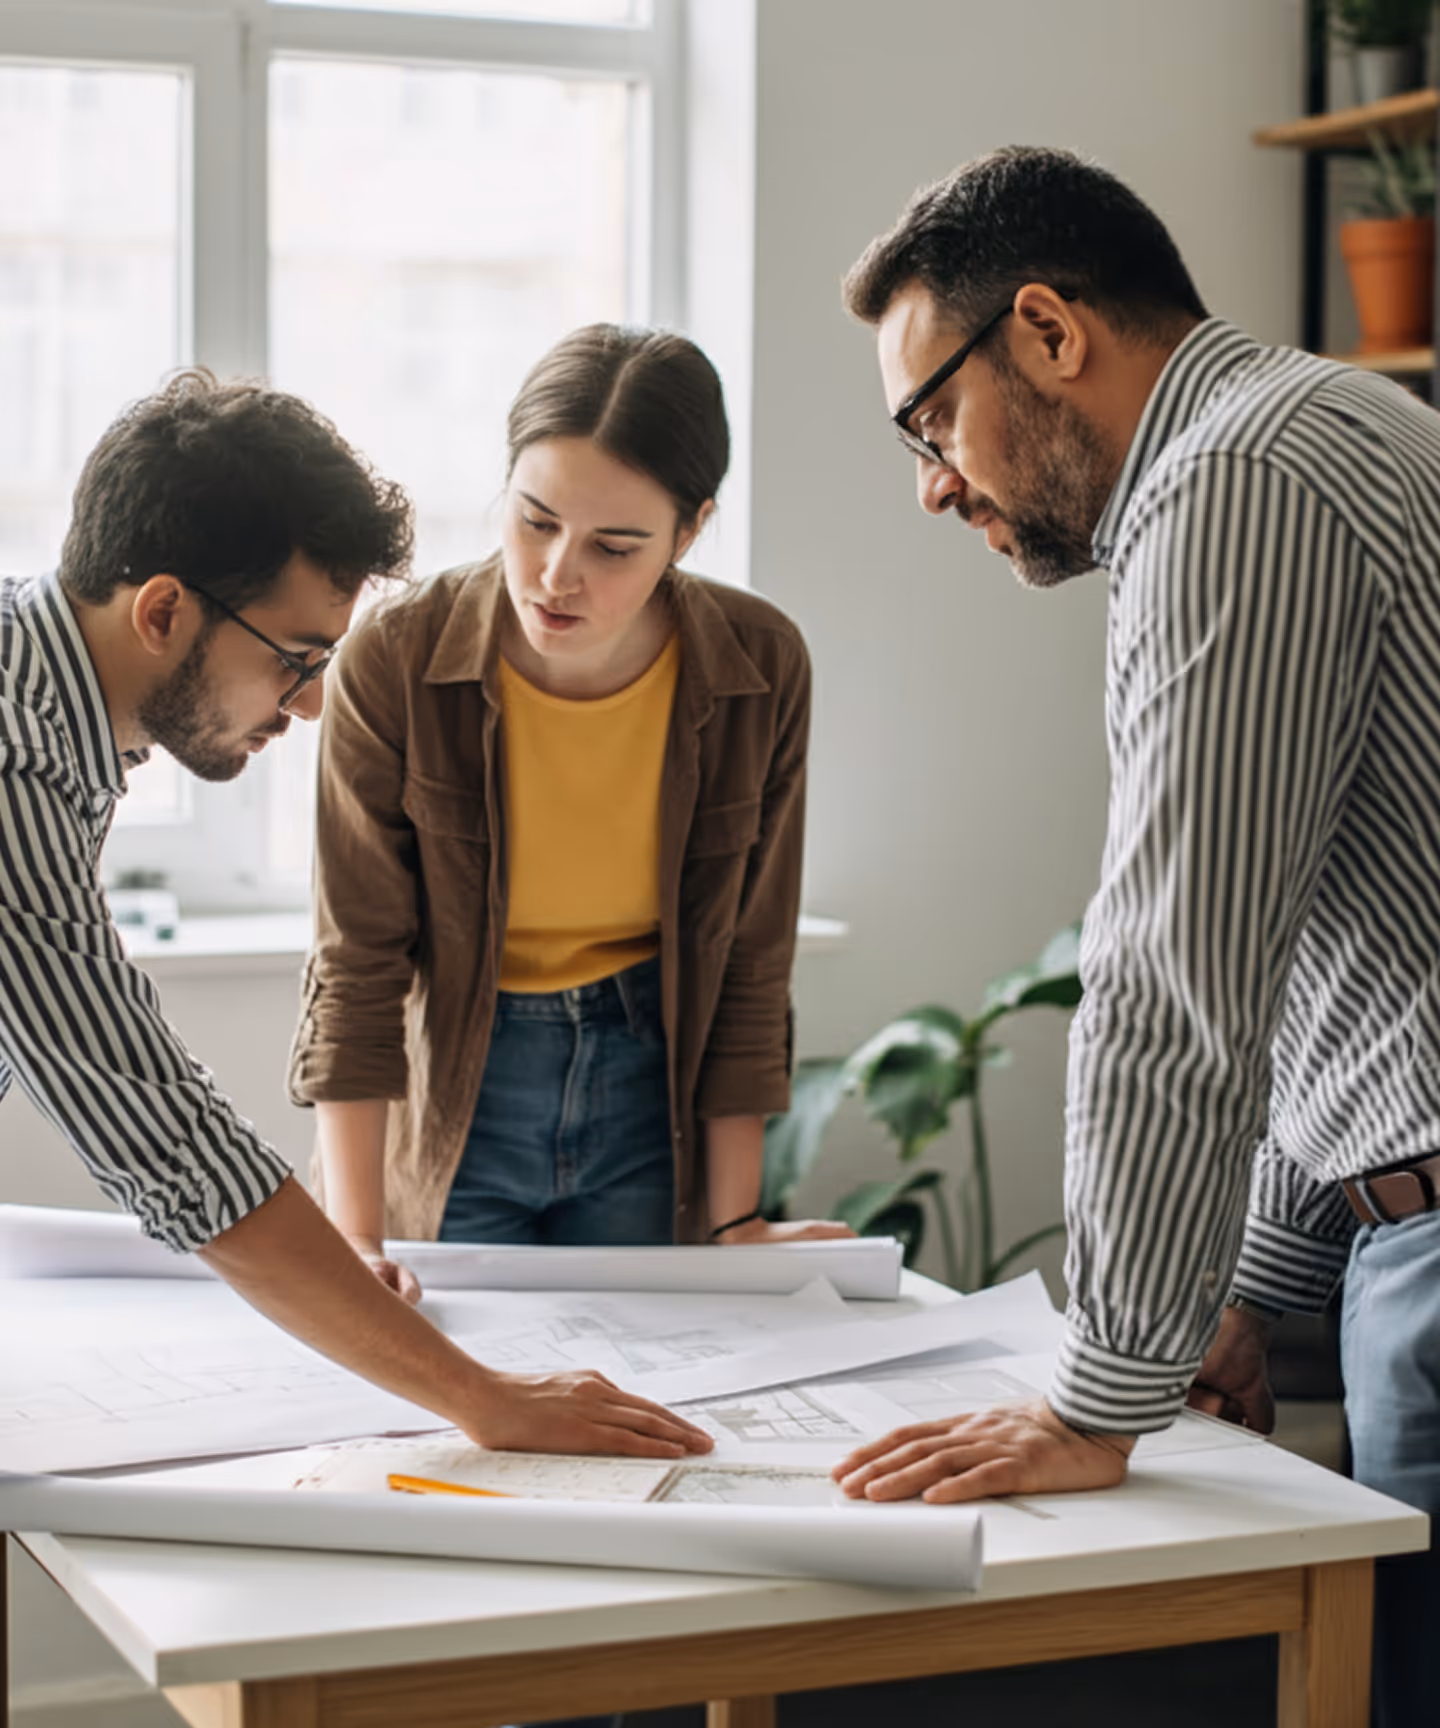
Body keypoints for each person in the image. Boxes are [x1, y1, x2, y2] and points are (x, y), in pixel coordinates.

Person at [829, 145, 1440, 1726]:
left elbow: (1176, 970)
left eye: (930, 420)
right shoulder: (1340, 420)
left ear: (1045, 330)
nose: (933, 483)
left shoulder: (1231, 482)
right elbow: (1356, 946)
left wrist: (1104, 1394)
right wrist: (1251, 1283)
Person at [0, 369, 710, 1465]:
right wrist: (485, 1400)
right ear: (162, 611)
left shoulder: (40, 688)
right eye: (295, 659)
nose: (314, 703)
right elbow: (167, 1140)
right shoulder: (16, 762)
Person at [288, 324, 848, 1305]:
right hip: (462, 1081)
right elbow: (357, 958)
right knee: (451, 1402)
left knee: (641, 1394)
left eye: (615, 546)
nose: (557, 574)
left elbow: (751, 962)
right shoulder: (396, 657)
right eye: (535, 520)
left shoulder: (763, 666)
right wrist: (355, 1235)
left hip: (650, 1083)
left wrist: (734, 1223)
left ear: (693, 527)